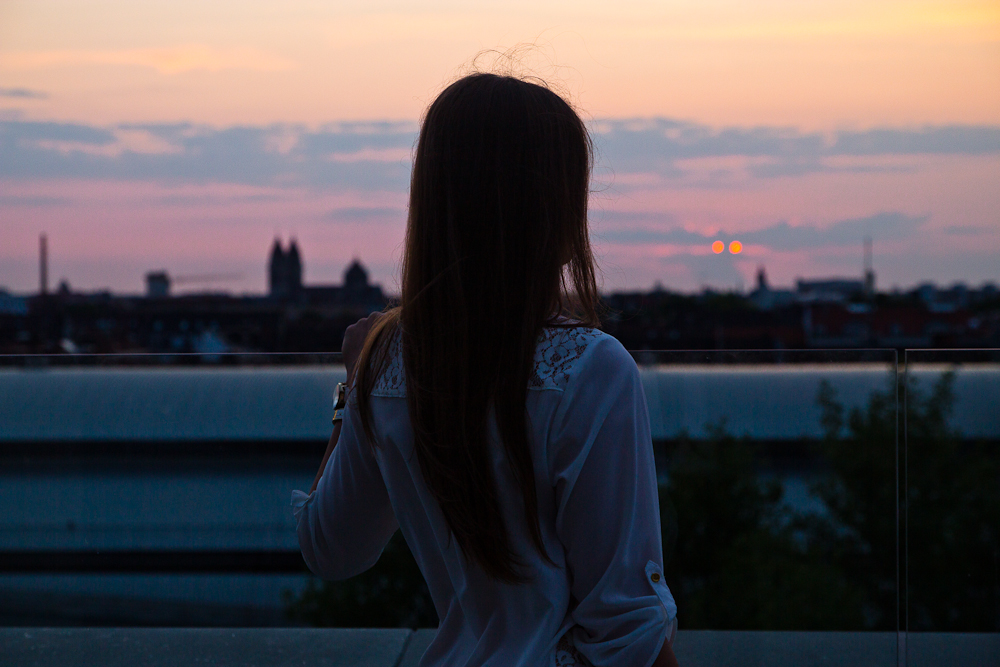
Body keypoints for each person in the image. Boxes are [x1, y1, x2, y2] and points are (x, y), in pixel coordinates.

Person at [292, 72, 679, 667]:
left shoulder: (390, 366)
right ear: (557, 210)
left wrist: (353, 389)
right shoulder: (590, 371)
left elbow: (331, 550)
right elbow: (629, 627)